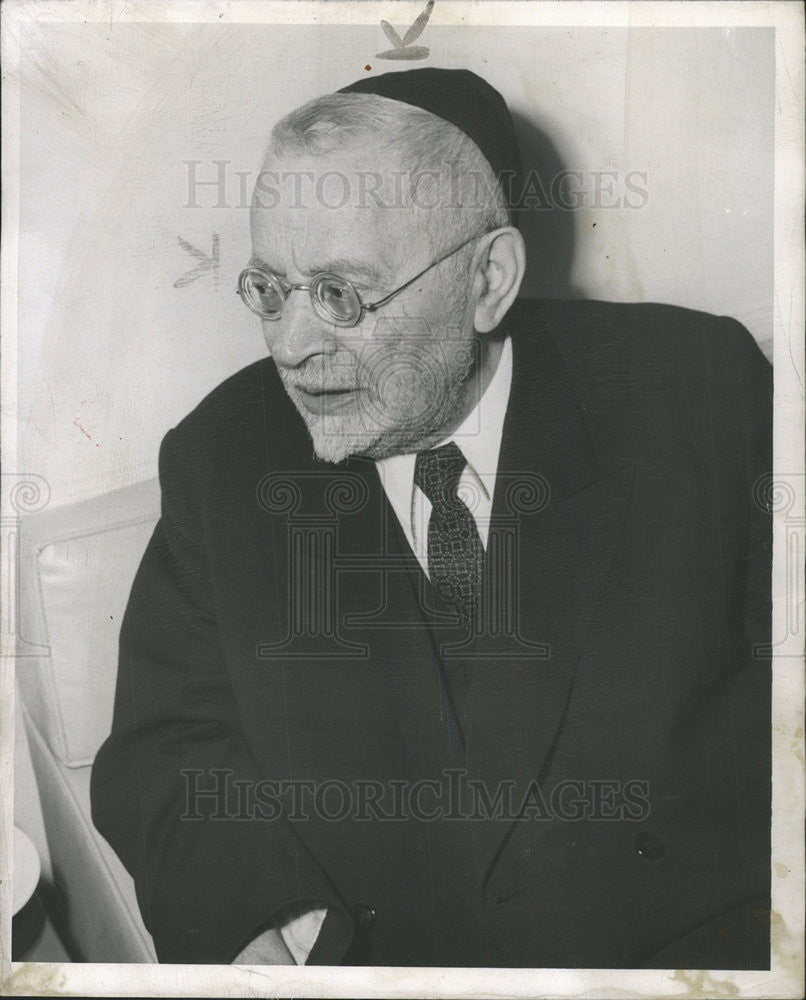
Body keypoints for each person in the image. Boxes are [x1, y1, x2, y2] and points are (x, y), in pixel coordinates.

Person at [90, 68, 772, 969]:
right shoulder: (225, 457)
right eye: (270, 288)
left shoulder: (698, 393)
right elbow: (165, 751)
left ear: (488, 280)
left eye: (342, 294)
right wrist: (268, 929)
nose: (291, 348)